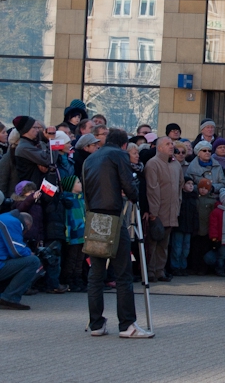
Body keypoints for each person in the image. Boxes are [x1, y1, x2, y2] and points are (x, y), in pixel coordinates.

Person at [83, 128, 153, 338]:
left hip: (94, 215)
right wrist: (134, 195)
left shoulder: (91, 158)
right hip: (113, 214)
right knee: (123, 272)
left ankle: (96, 323)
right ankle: (127, 324)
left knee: (96, 273)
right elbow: (128, 184)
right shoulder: (119, 155)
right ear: (124, 144)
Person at [145, 136, 184, 282]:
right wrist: (153, 212)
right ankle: (150, 272)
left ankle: (160, 271)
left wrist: (177, 207)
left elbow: (180, 186)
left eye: (172, 143)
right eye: (167, 144)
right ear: (159, 147)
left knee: (164, 244)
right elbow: (152, 189)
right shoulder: (153, 164)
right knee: (152, 243)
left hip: (172, 211)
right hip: (158, 212)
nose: (171, 146)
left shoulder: (176, 165)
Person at [0, 210, 40, 310]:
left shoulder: (3, 217)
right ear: (27, 224)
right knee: (33, 261)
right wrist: (29, 253)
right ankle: (9, 298)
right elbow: (16, 251)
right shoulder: (12, 222)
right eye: (26, 230)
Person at [61, 174, 86, 292]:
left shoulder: (82, 199)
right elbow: (67, 220)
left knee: (80, 258)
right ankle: (69, 279)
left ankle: (78, 278)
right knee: (72, 257)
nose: (80, 184)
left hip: (83, 233)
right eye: (78, 182)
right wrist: (68, 235)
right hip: (73, 234)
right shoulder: (67, 200)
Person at [169, 176, 198, 275]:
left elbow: (195, 214)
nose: (191, 186)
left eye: (192, 184)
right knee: (177, 248)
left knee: (186, 249)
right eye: (188, 183)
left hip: (189, 227)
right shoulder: (179, 197)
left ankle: (183, 266)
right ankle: (175, 267)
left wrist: (195, 227)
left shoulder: (194, 197)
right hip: (179, 226)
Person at [13, 116, 52, 187]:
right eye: (35, 127)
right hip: (30, 189)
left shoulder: (34, 144)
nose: (38, 130)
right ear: (26, 129)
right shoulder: (24, 147)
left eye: (38, 127)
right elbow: (48, 159)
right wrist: (52, 141)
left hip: (38, 186)